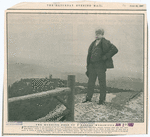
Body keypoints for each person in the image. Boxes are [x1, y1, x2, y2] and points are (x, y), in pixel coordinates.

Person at [83, 28, 118, 105]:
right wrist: (88, 66)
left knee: (102, 83)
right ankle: (88, 98)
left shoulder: (106, 42)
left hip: (100, 66)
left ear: (102, 34)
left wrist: (105, 57)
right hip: (92, 66)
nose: (97, 35)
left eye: (98, 34)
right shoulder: (93, 43)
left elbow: (115, 49)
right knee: (90, 83)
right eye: (96, 33)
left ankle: (102, 100)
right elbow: (89, 55)